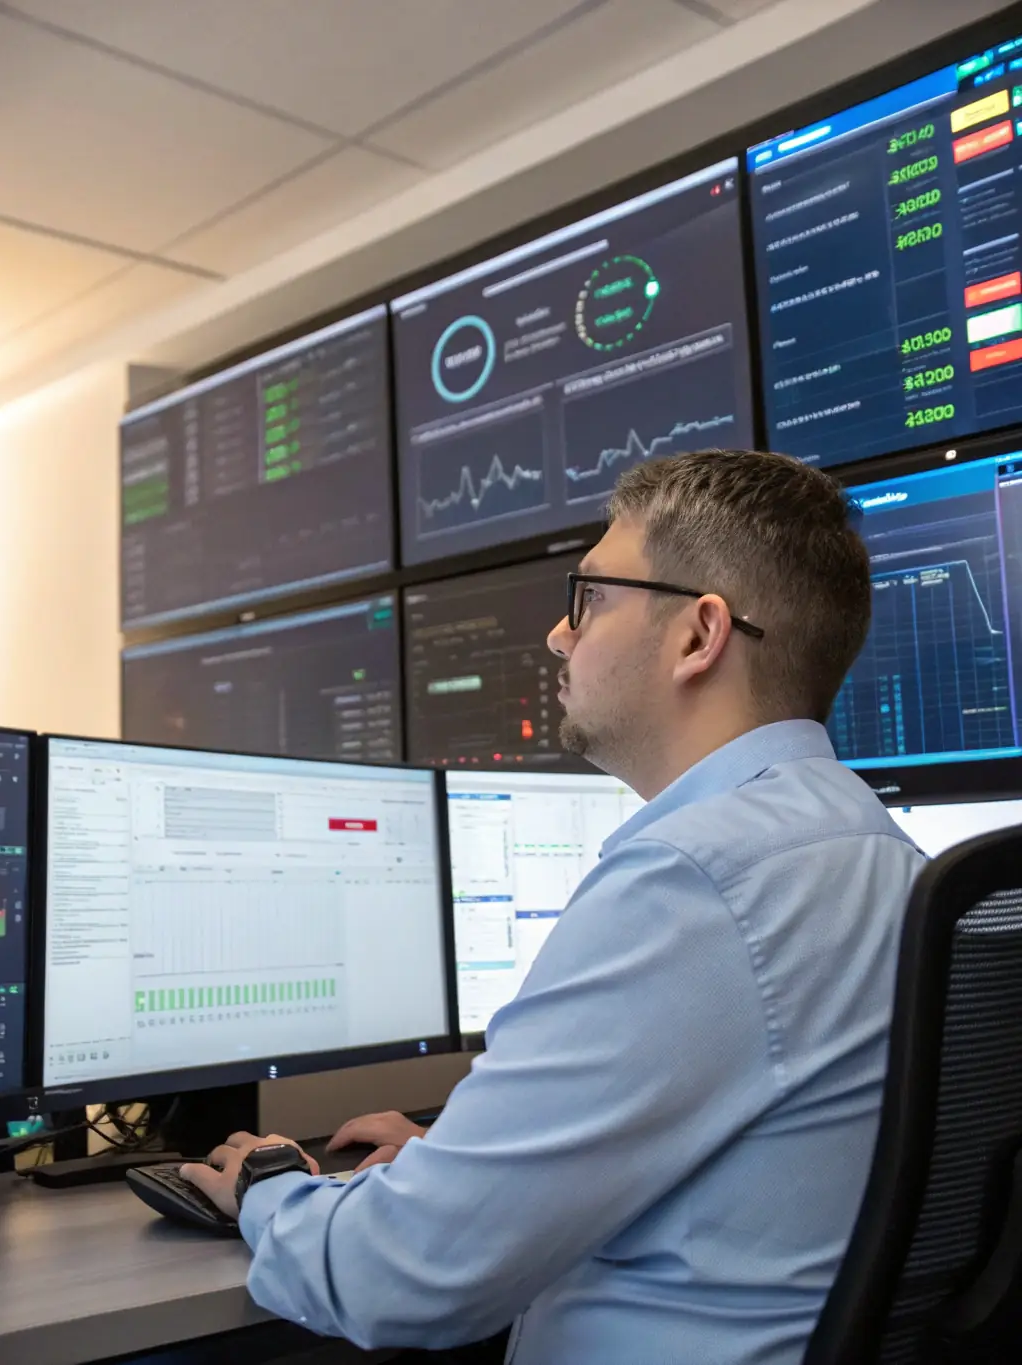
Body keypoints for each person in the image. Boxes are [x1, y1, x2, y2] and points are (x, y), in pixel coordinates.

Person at [183, 449, 925, 1365]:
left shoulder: (694, 879)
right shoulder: (878, 851)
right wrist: (473, 1161)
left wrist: (267, 1188)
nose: (558, 636)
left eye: (592, 598)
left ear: (699, 635)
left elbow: (400, 1276)